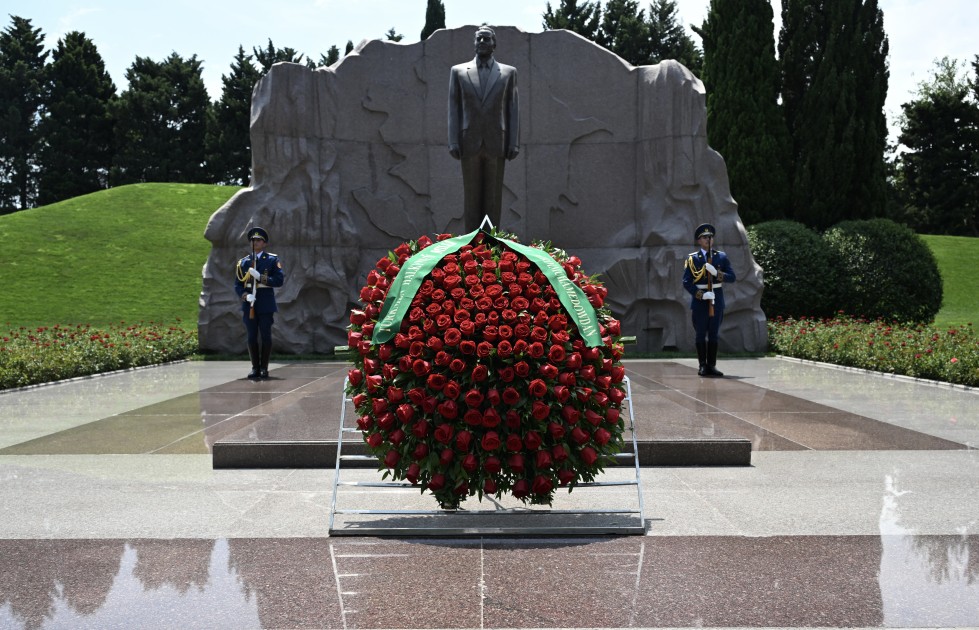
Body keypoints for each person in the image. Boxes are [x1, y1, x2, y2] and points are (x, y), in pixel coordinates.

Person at [447, 24, 520, 231]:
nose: (481, 42)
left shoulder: (508, 73)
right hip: (468, 142)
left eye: (486, 39)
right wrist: (453, 140)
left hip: (497, 142)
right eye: (478, 39)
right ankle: (471, 247)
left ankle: (492, 246)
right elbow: (454, 107)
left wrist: (514, 142)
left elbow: (512, 109)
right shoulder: (458, 71)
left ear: (494, 44)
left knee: (493, 199)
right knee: (471, 198)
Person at [682, 223, 736, 377]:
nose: (708, 239)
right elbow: (686, 282)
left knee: (713, 333)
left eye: (710, 237)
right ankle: (702, 366)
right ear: (699, 240)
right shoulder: (693, 259)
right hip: (700, 302)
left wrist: (717, 273)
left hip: (717, 299)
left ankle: (711, 365)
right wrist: (701, 294)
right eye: (705, 237)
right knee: (700, 334)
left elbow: (732, 277)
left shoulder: (721, 257)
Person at [234, 227, 284, 378]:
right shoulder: (244, 262)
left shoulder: (272, 260)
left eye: (258, 240)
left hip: (265, 303)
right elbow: (237, 284)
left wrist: (261, 277)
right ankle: (255, 367)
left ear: (264, 243)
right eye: (253, 240)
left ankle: (264, 368)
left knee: (266, 336)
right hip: (250, 303)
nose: (255, 242)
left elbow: (279, 280)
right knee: (251, 336)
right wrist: (245, 295)